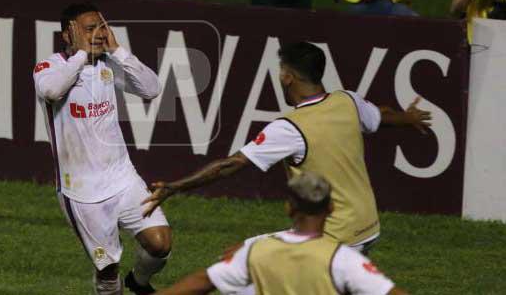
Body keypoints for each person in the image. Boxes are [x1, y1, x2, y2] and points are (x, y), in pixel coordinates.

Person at [143, 42, 431, 253]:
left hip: (333, 233)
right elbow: (380, 116)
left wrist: (174, 187)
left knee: (237, 259)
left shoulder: (290, 128)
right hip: (368, 228)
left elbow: (231, 165)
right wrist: (408, 118)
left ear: (287, 77)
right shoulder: (348, 101)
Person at [34, 3, 171, 295]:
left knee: (160, 244)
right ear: (68, 35)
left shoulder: (108, 64)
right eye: (88, 29)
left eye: (101, 27)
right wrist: (81, 55)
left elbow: (151, 89)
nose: (97, 34)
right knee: (108, 272)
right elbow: (51, 91)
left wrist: (118, 51)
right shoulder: (50, 66)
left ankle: (139, 282)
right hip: (82, 192)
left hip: (123, 179)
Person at [154, 172, 409, 295]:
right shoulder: (343, 259)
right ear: (331, 208)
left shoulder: (256, 251)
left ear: (289, 207)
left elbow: (202, 281)